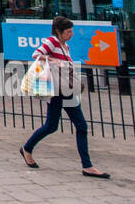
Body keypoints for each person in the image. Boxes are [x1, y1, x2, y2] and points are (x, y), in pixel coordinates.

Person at [20, 16, 110, 178]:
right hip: (56, 91)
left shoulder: (65, 45)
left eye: (72, 31)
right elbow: (36, 54)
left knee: (80, 125)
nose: (71, 34)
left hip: (66, 89)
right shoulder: (52, 42)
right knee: (51, 126)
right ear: (59, 32)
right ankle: (27, 148)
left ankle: (87, 166)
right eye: (68, 32)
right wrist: (52, 59)